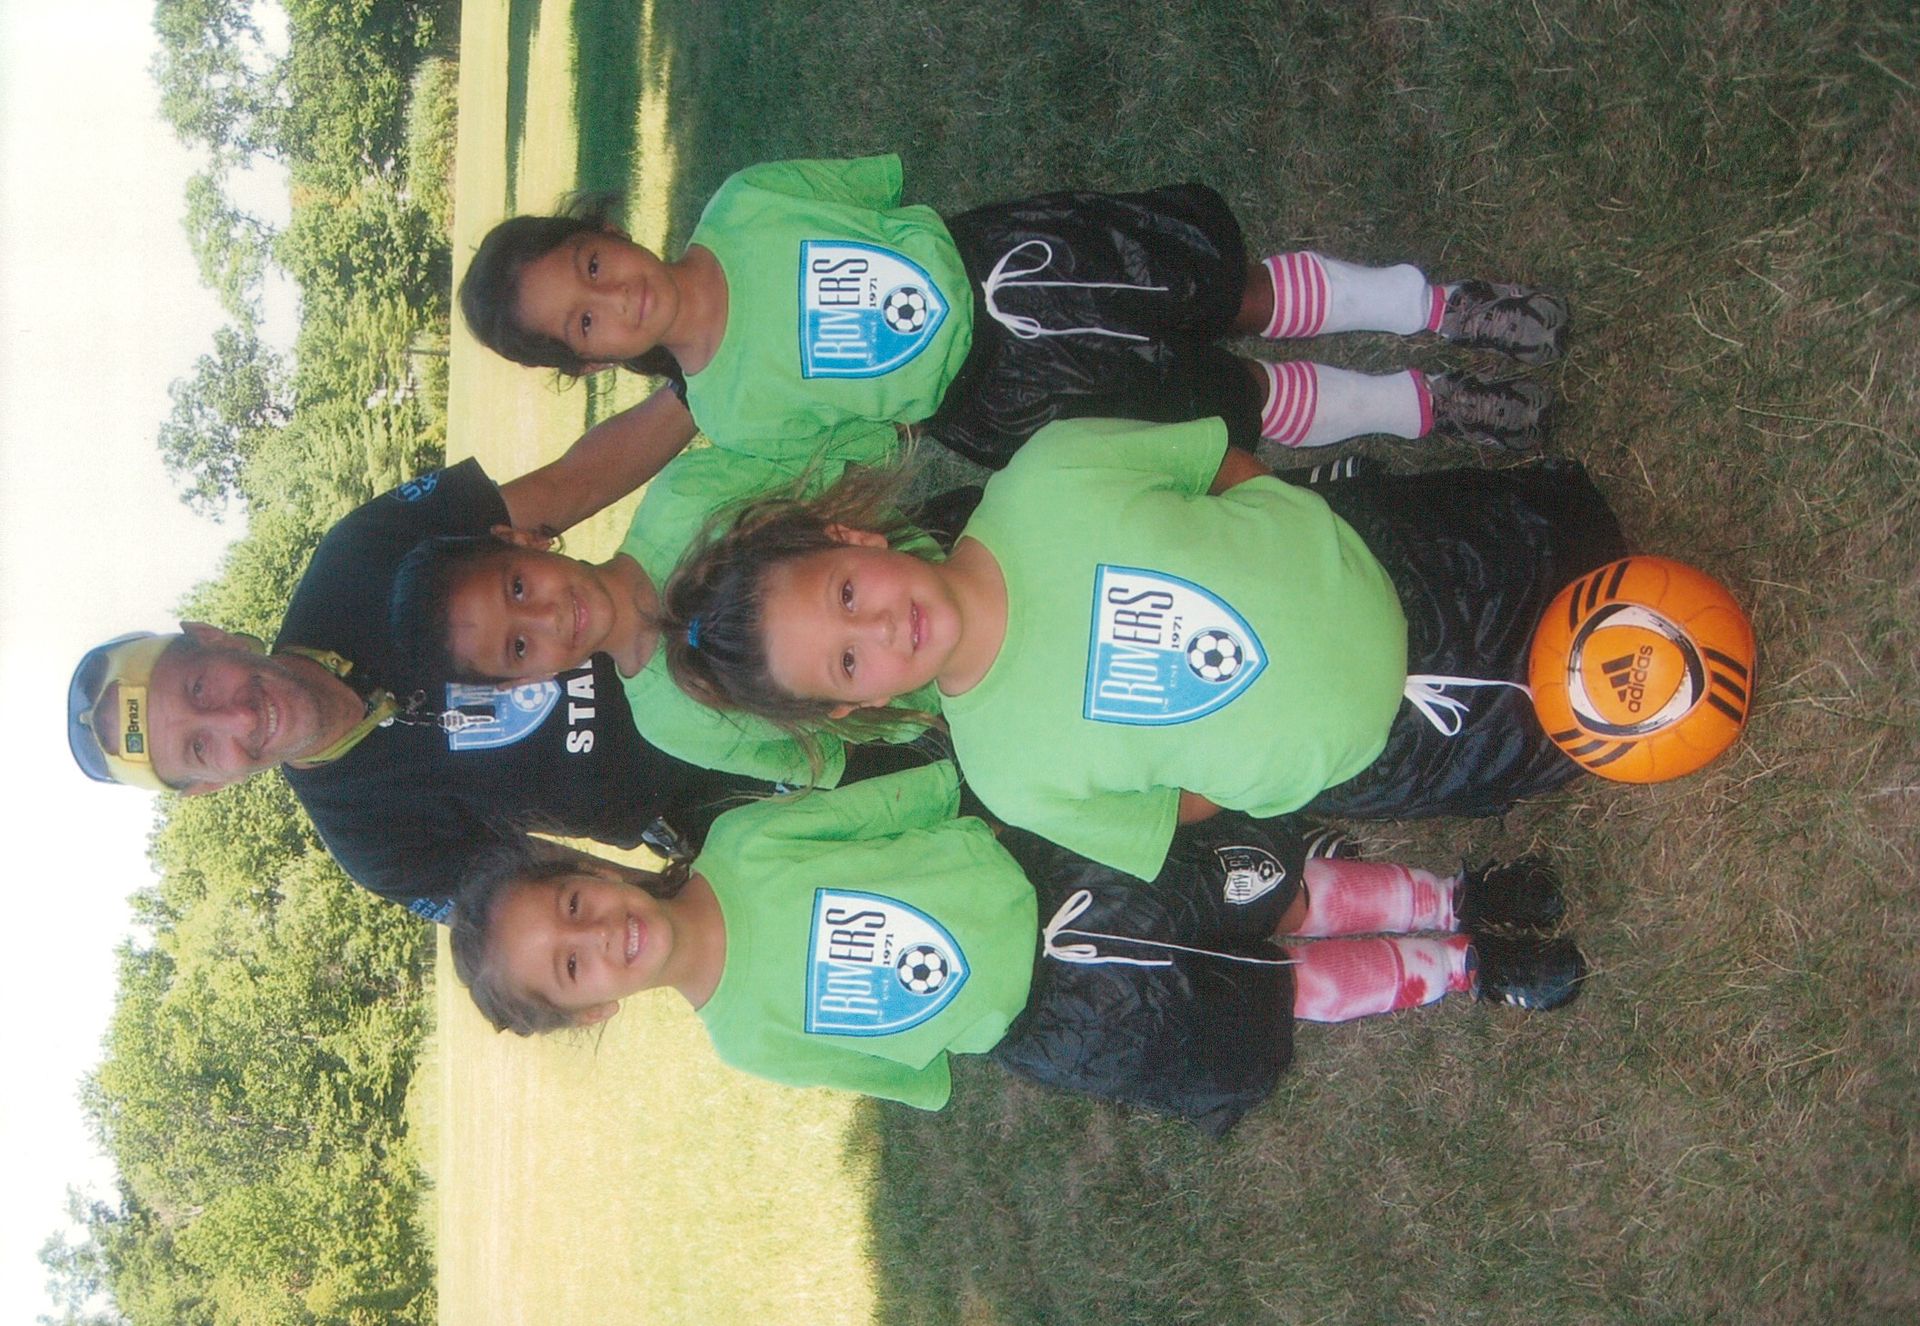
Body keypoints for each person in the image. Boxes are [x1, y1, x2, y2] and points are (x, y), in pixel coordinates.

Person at [659, 415, 1627, 881]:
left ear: (854, 540)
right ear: (855, 706)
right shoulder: (1008, 776)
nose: (877, 629)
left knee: (1576, 553)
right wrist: (1264, 755)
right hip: (1379, 749)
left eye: (845, 595)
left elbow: (1210, 464)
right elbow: (1175, 808)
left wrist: (1282, 522)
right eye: (847, 661)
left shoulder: (1046, 475)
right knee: (1579, 723)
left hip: (1398, 561)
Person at [450, 763, 1586, 1137]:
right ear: (592, 1009)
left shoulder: (744, 842)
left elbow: (907, 800)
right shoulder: (747, 1039)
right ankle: (1467, 969)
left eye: (573, 904)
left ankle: (1458, 893)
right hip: (1055, 1019)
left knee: (1273, 895)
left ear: (589, 870)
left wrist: (1007, 828)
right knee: (1275, 994)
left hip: (1055, 874)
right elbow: (908, 1070)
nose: (599, 937)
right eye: (572, 967)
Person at [64, 390, 785, 922]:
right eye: (199, 746)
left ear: (213, 636)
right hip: (727, 802)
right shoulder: (369, 842)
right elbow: (559, 888)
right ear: (206, 787)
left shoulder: (353, 560)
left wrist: (699, 375)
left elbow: (568, 487)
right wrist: (689, 911)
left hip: (715, 625)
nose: (236, 718)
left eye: (198, 687)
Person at [459, 155, 1567, 479]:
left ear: (603, 230)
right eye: (586, 324)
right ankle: (1421, 403)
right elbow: (867, 439)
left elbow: (879, 200)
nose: (616, 297)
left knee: (1219, 286)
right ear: (590, 365)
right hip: (1002, 399)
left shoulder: (746, 203)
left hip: (1018, 260)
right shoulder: (735, 414)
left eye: (591, 265)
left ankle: (1432, 301)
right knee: (1219, 405)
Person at [387, 439, 946, 788]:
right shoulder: (667, 726)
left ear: (523, 541)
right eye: (519, 646)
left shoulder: (682, 497)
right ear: (526, 681)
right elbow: (827, 759)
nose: (547, 618)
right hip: (946, 709)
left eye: (517, 588)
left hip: (948, 563)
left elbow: (849, 481)